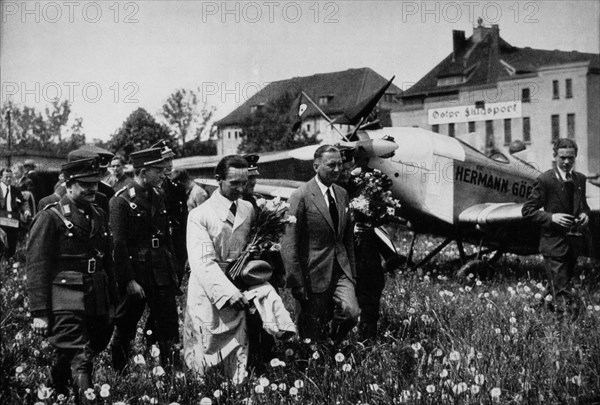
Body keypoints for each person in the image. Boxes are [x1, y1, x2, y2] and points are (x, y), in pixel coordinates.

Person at [26, 157, 117, 399]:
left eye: (95, 184)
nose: (92, 190)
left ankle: (55, 390)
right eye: (84, 184)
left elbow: (108, 259)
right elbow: (36, 266)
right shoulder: (50, 216)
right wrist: (39, 312)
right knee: (81, 356)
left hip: (96, 296)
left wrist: (113, 301)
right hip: (64, 298)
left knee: (86, 348)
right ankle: (86, 398)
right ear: (69, 184)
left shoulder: (98, 214)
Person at [109, 148, 180, 372]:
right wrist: (128, 280)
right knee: (127, 323)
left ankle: (169, 372)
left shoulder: (159, 195)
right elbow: (118, 245)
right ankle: (120, 372)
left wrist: (173, 269)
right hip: (137, 272)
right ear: (142, 171)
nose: (163, 174)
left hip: (160, 269)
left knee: (168, 323)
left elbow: (167, 237)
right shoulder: (120, 201)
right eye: (158, 170)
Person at [281, 145, 360, 343]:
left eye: (340, 165)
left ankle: (334, 340)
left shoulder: (342, 194)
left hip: (341, 269)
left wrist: (352, 273)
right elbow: (289, 243)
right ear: (316, 166)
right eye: (331, 165)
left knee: (351, 312)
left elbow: (347, 238)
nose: (337, 170)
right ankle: (317, 357)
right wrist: (296, 281)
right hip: (312, 272)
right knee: (310, 329)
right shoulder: (301, 196)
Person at [335, 148, 403, 341]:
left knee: (370, 299)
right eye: (340, 168)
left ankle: (368, 341)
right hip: (341, 259)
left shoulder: (364, 187)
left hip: (366, 256)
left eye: (347, 168)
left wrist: (370, 222)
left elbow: (380, 212)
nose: (343, 173)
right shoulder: (329, 193)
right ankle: (340, 343)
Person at [522, 138, 591, 316]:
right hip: (553, 245)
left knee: (560, 284)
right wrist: (553, 218)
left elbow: (584, 206)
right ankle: (565, 326)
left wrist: (585, 215)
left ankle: (538, 312)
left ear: (575, 157)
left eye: (570, 158)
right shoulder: (545, 180)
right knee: (561, 290)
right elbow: (528, 210)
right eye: (562, 158)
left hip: (573, 244)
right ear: (555, 156)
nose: (566, 162)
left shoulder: (580, 179)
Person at [0, 167, 32, 258]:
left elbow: (23, 202)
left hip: (12, 220)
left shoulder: (15, 190)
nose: (9, 179)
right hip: (1, 220)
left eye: (10, 177)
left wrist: (26, 210)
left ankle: (9, 263)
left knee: (12, 244)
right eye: (6, 177)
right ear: (1, 178)